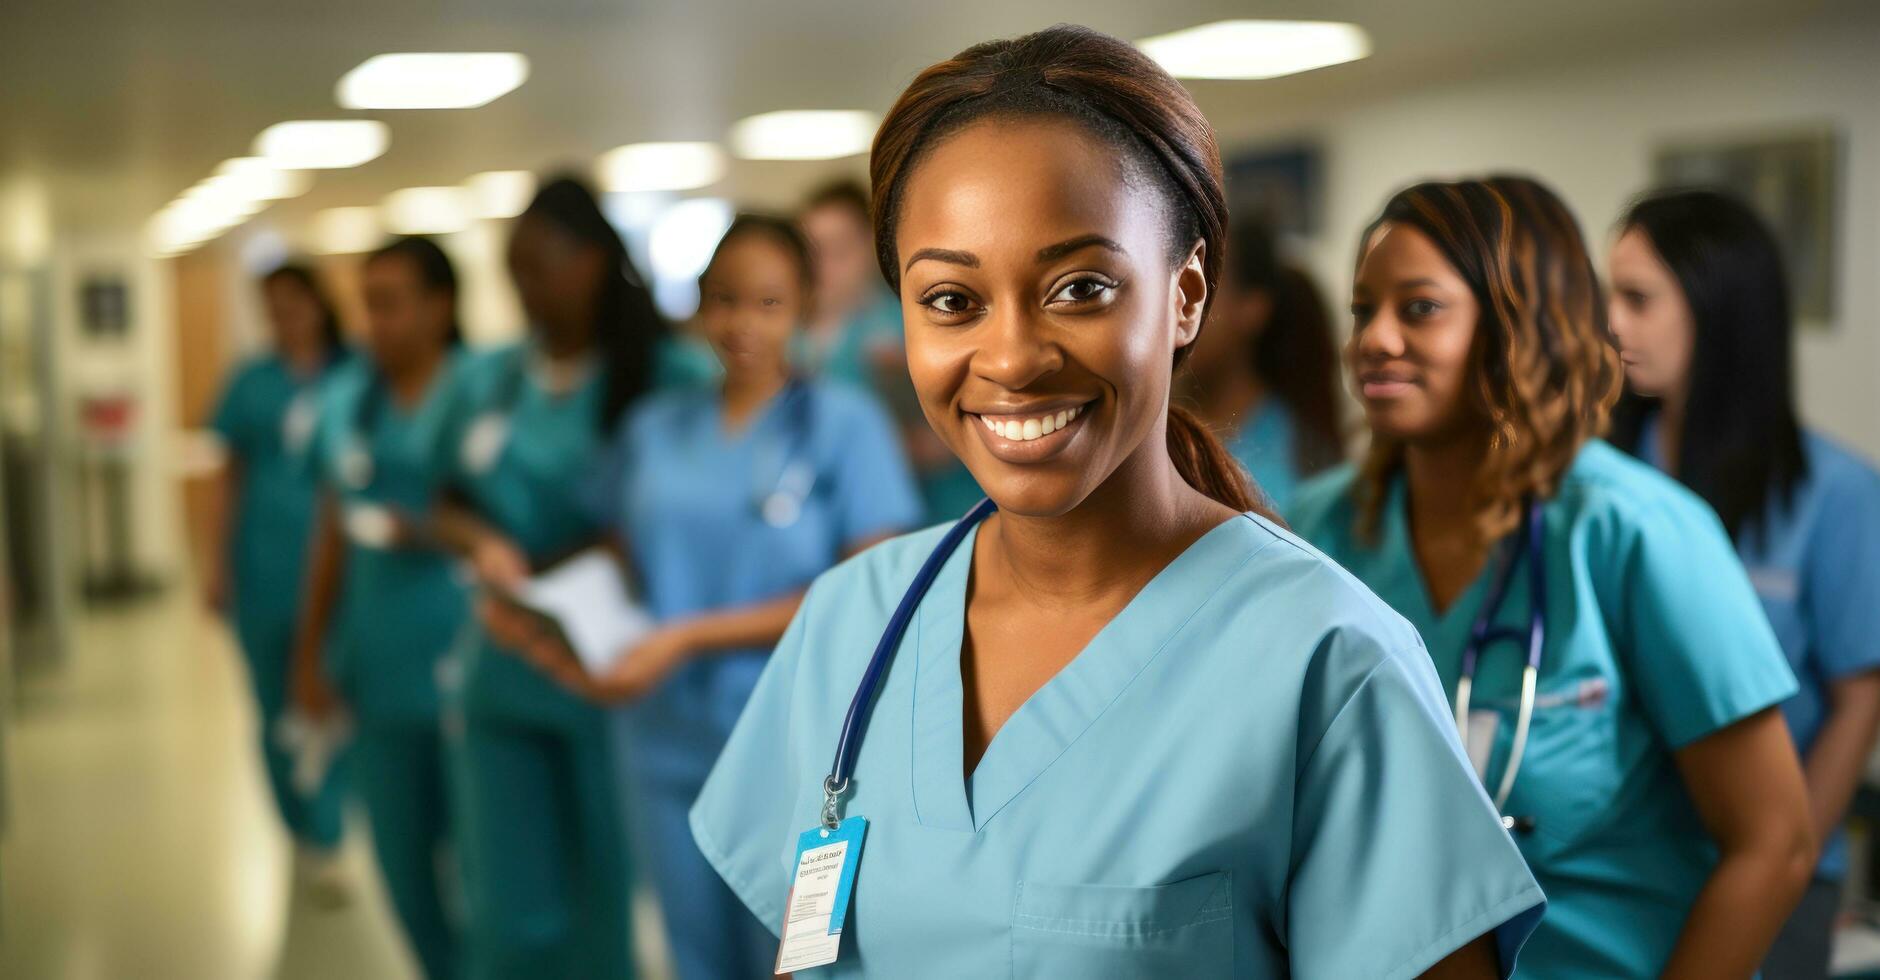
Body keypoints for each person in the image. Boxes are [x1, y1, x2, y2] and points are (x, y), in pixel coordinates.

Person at [689, 26, 1544, 978]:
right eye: (951, 300)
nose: (1011, 359)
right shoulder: (849, 625)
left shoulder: (1329, 663)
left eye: (1080, 287)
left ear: (1185, 296)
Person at [1287, 175, 1817, 978]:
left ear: (1515, 326)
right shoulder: (1313, 532)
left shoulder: (1634, 532)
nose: (1376, 339)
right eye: (1363, 311)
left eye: (1419, 307)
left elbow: (1774, 842)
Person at [493, 215, 923, 979]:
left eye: (768, 302)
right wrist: (550, 615)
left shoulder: (842, 427)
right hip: (664, 736)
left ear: (804, 306)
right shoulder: (658, 428)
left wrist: (688, 638)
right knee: (695, 951)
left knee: (804, 958)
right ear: (697, 306)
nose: (741, 325)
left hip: (804, 749)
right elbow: (623, 551)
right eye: (723, 300)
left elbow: (869, 589)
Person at [1606, 188, 1880, 980]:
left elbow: (1860, 698)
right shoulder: (1606, 481)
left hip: (1776, 863)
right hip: (1632, 859)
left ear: (1717, 308)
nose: (1612, 325)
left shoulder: (1837, 494)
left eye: (1639, 298)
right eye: (1608, 295)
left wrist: (1784, 859)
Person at [431, 176, 660, 979]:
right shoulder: (487, 379)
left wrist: (556, 570)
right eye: (512, 268)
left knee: (603, 890)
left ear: (595, 263)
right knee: (503, 899)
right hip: (501, 659)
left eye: (541, 265)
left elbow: (659, 520)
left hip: (602, 662)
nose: (525, 287)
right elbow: (444, 499)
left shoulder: (655, 375)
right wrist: (482, 543)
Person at [289, 237, 467, 979]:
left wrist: (427, 531)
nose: (376, 323)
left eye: (392, 303)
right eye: (368, 304)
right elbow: (330, 531)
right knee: (402, 868)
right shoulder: (349, 401)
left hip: (468, 668)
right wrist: (308, 653)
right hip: (380, 670)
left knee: (485, 873)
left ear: (440, 306)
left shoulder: (482, 392)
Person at [204, 262, 351, 902]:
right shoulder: (251, 383)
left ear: (319, 303)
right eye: (271, 306)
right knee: (274, 705)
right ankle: (300, 828)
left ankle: (331, 827)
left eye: (293, 302)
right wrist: (215, 563)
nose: (283, 316)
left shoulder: (351, 376)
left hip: (341, 572)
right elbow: (227, 477)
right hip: (264, 566)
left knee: (333, 698)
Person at [800, 180, 983, 523]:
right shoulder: (793, 342)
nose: (823, 267)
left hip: (932, 514)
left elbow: (958, 438)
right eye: (812, 253)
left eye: (838, 251)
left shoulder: (912, 325)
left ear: (872, 248)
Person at [1181, 216, 1345, 510]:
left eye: (1205, 284)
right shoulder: (1151, 431)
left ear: (1253, 309)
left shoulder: (1296, 458)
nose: (1181, 305)